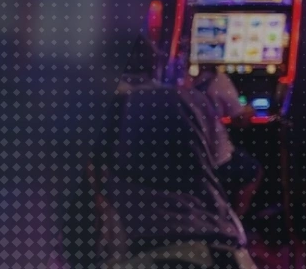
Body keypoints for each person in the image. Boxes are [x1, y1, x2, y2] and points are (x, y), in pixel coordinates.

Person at [96, 36, 255, 268]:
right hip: (215, 246)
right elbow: (223, 162)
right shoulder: (187, 99)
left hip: (137, 247)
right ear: (156, 64)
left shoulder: (93, 109)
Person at [191, 69, 263, 215]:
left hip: (188, 157)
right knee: (253, 170)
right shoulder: (217, 78)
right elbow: (240, 120)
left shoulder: (174, 77)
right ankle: (235, 222)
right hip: (216, 160)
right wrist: (250, 110)